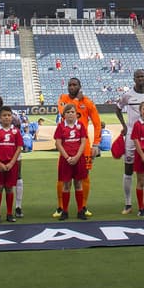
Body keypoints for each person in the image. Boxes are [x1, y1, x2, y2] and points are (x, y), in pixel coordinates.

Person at [114, 68, 144, 215]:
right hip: (132, 137)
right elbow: (117, 109)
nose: (140, 78)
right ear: (134, 78)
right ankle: (128, 204)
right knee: (128, 170)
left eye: (143, 76)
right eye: (138, 76)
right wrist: (124, 126)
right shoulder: (127, 95)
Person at [56, 79, 101, 218]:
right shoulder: (62, 99)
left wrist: (96, 144)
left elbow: (97, 123)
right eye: (70, 85)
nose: (71, 87)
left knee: (84, 177)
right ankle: (61, 208)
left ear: (80, 86)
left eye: (75, 85)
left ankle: (83, 206)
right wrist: (76, 100)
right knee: (63, 178)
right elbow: (65, 111)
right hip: (66, 145)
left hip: (83, 145)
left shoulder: (87, 102)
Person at [53, 103, 90, 221]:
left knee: (78, 184)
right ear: (64, 115)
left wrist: (77, 156)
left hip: (78, 159)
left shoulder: (80, 126)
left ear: (76, 114)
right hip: (66, 160)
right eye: (68, 112)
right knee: (66, 185)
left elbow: (83, 142)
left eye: (72, 112)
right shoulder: (60, 126)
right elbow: (58, 143)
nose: (70, 114)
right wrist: (67, 157)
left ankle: (80, 210)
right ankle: (65, 211)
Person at [0, 106, 22, 223]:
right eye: (4, 115)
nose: (7, 117)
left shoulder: (16, 131)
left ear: (12, 117)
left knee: (9, 188)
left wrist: (12, 163)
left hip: (11, 165)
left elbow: (18, 148)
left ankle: (9, 213)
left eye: (9, 115)